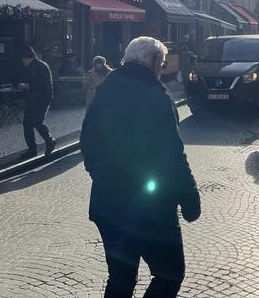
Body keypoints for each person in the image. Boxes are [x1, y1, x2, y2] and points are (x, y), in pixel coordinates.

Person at [81, 37, 199, 297]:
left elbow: (88, 141)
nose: (163, 69)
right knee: (169, 274)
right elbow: (171, 153)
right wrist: (189, 195)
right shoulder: (157, 96)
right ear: (155, 62)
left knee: (121, 278)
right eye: (163, 64)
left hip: (108, 203)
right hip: (150, 206)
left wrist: (101, 174)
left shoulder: (105, 89)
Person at [19, 46, 56, 159]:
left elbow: (44, 85)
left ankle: (49, 141)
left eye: (23, 59)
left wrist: (27, 86)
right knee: (27, 123)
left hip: (41, 99)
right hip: (33, 99)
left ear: (27, 58)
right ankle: (32, 148)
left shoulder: (40, 67)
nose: (22, 62)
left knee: (37, 121)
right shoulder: (34, 66)